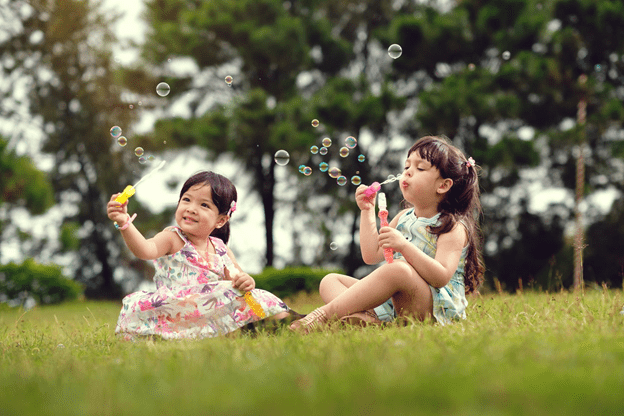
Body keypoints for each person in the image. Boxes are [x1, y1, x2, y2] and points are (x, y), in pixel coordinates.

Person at [290, 135, 484, 333]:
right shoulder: (403, 218)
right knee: (331, 281)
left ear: (443, 185)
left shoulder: (452, 227)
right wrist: (367, 211)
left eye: (419, 168)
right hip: (394, 305)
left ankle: (322, 316)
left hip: (433, 310)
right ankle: (369, 320)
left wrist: (404, 246)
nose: (407, 173)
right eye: (407, 166)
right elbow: (371, 254)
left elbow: (441, 276)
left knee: (399, 269)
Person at [108, 170, 293, 340]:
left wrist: (247, 282)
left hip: (207, 313)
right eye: (186, 200)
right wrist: (125, 222)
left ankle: (286, 323)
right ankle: (265, 326)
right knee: (226, 292)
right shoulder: (172, 238)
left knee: (248, 294)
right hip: (177, 310)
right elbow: (145, 250)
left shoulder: (221, 249)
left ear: (221, 220)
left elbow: (238, 279)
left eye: (204, 205)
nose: (191, 208)